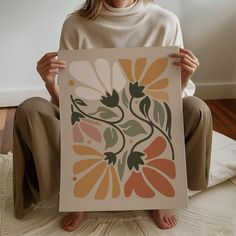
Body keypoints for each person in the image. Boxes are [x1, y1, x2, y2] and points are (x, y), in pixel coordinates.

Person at [13, 0, 213, 232]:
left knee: (197, 108)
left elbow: (170, 102)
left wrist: (184, 78)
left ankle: (162, 194)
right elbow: (71, 104)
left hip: (151, 119)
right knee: (31, 109)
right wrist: (50, 84)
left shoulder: (165, 22)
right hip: (90, 121)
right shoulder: (75, 24)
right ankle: (75, 195)